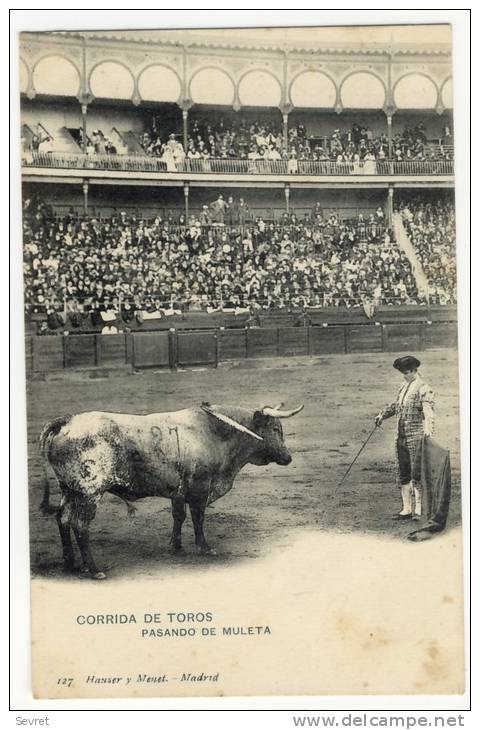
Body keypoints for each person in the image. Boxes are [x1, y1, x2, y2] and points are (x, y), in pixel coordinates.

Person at [374, 355, 435, 521]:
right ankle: (406, 509)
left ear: (415, 370)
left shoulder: (424, 388)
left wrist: (428, 430)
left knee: (417, 472)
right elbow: (396, 406)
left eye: (407, 372)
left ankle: (419, 510)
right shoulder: (403, 386)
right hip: (400, 436)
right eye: (402, 372)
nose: (405, 375)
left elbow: (428, 411)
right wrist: (382, 415)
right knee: (403, 472)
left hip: (416, 436)